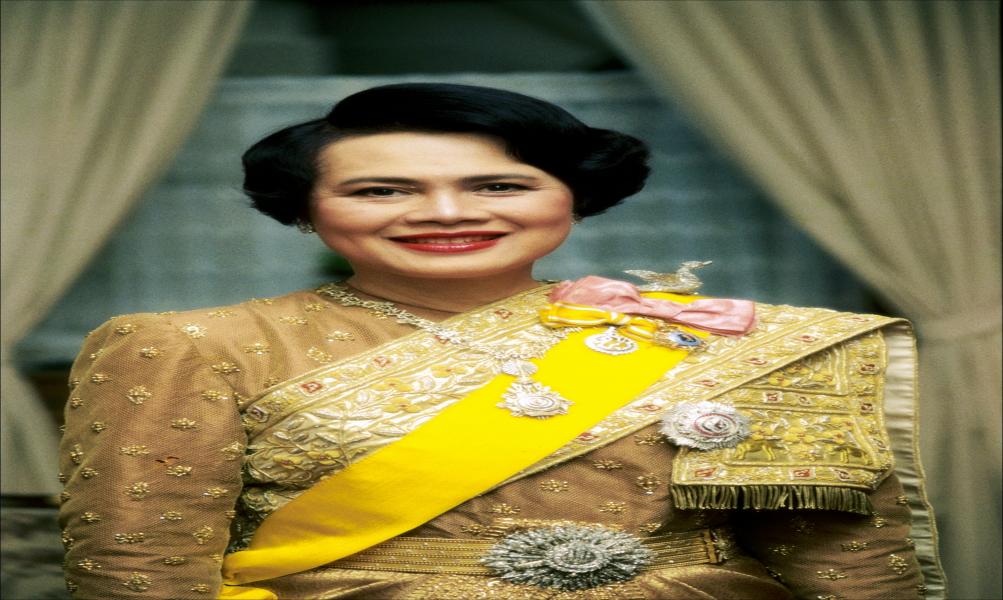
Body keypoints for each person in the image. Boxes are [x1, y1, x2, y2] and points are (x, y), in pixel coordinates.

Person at [57, 83, 944, 599]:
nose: (446, 213)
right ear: (306, 210)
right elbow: (142, 563)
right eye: (380, 191)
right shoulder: (187, 344)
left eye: (498, 185)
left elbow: (836, 553)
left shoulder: (728, 337)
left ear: (572, 199)